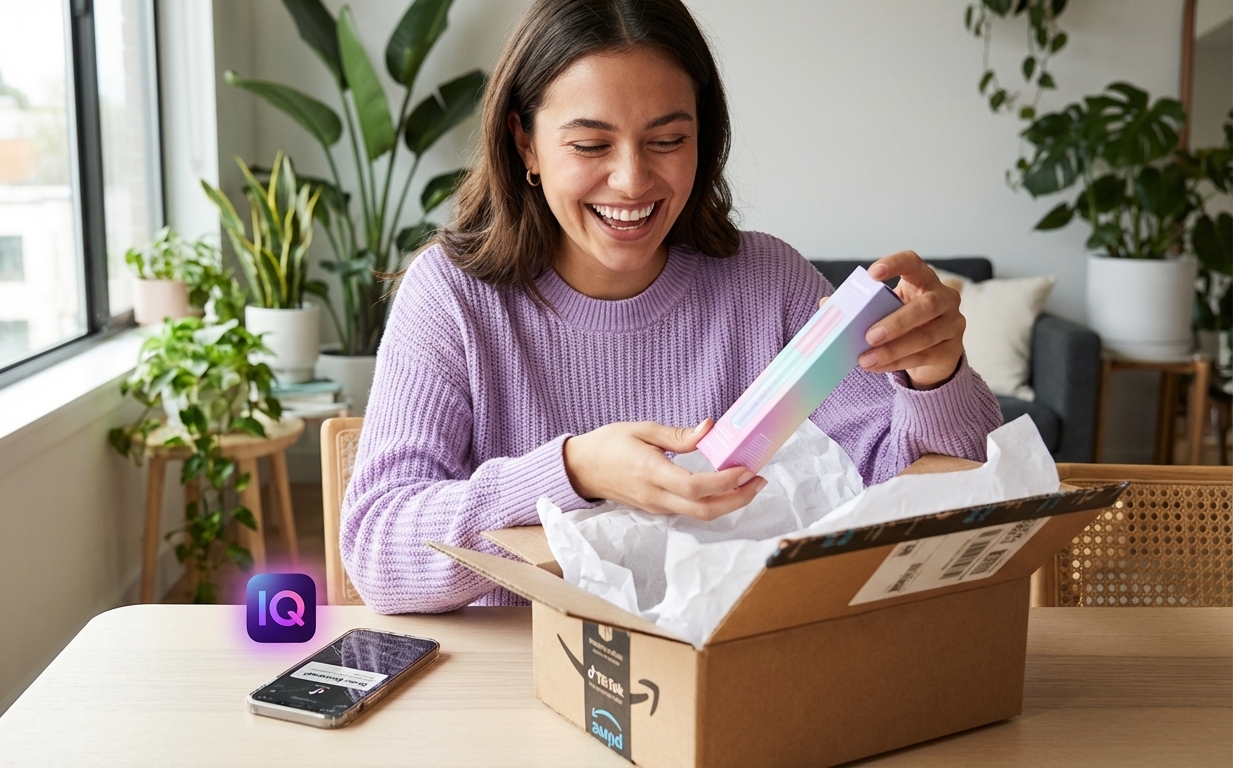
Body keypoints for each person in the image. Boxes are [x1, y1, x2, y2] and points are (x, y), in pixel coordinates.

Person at [342, 0, 1003, 613]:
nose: (632, 180)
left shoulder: (767, 282)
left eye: (667, 141)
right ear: (525, 145)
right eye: (591, 144)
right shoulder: (453, 297)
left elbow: (907, 499)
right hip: (517, 689)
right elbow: (377, 551)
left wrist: (936, 378)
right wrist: (575, 473)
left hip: (731, 684)